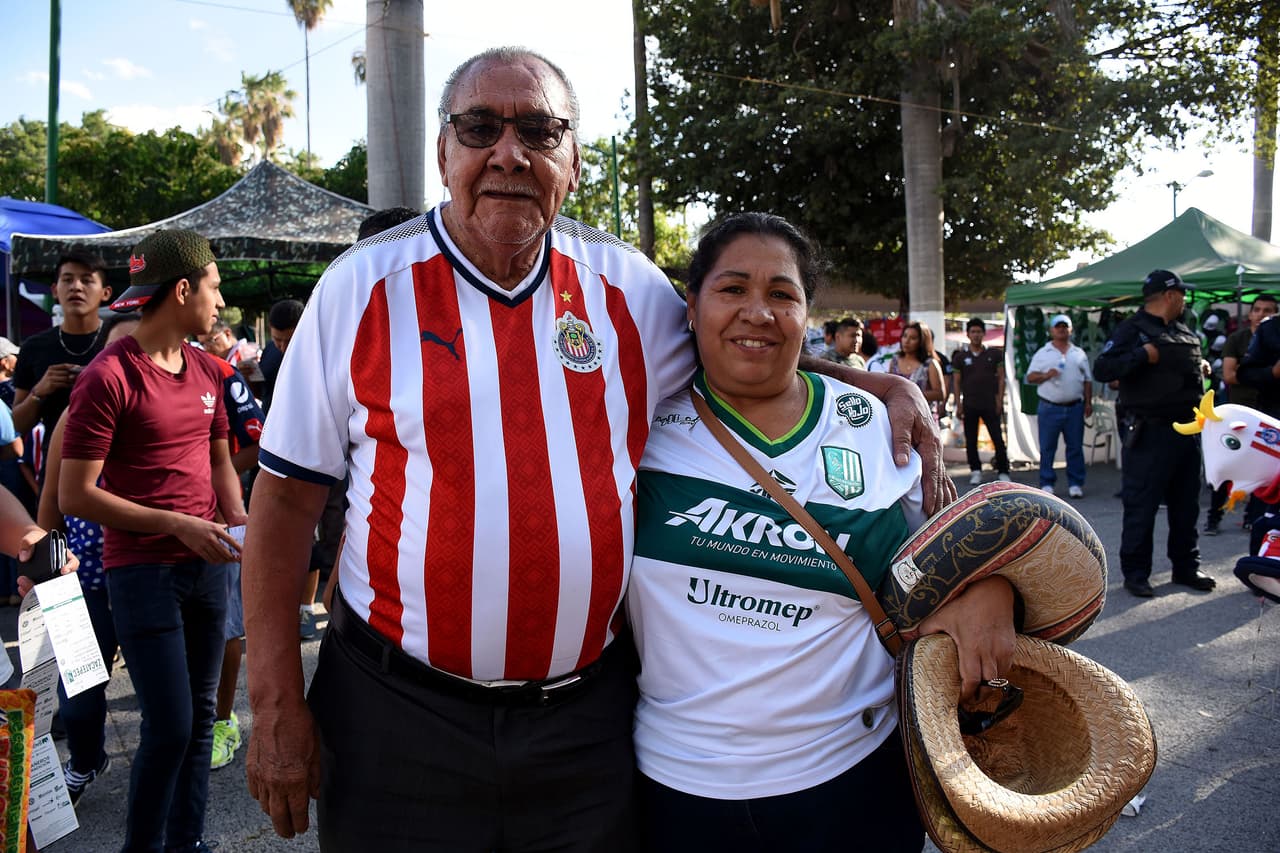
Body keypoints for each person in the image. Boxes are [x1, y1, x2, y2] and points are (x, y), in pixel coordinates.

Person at [242, 46, 952, 850]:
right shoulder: (360, 288)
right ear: (444, 153)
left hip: (582, 724)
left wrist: (877, 384)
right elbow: (284, 504)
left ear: (572, 162)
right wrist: (274, 705)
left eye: (540, 131)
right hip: (396, 714)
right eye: (480, 127)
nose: (509, 152)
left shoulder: (629, 289)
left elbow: (736, 340)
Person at [628, 213, 1015, 853]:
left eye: (782, 294)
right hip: (677, 787)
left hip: (855, 779)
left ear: (806, 315)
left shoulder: (874, 425)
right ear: (690, 308)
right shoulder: (637, 425)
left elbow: (948, 556)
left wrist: (989, 589)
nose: (758, 312)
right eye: (732, 290)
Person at [59, 228, 247, 852]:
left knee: (197, 726)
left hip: (207, 569)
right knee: (168, 726)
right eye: (215, 288)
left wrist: (239, 527)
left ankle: (186, 842)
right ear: (185, 289)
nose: (220, 302)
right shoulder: (107, 376)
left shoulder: (208, 371)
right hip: (142, 572)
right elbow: (75, 496)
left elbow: (220, 462)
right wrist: (175, 523)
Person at [36, 311, 140, 805]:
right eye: (114, 352)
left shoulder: (168, 418)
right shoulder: (75, 413)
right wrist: (44, 567)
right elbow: (50, 506)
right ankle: (84, 759)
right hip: (85, 581)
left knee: (166, 702)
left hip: (152, 579)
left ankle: (166, 786)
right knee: (77, 700)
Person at [1094, 269, 1214, 597]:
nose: (1185, 300)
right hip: (1149, 433)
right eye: (1182, 295)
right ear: (1170, 296)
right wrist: (1141, 356)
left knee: (1186, 505)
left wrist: (1199, 367)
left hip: (1187, 431)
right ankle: (1135, 573)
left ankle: (1186, 568)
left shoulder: (1182, 329)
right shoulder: (1131, 330)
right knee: (1142, 507)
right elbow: (1103, 369)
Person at [11, 250, 113, 477]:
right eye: (67, 280)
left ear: (106, 293)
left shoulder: (117, 341)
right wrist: (40, 391)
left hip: (113, 468)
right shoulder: (34, 347)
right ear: (55, 290)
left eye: (87, 280)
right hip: (57, 469)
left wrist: (98, 379)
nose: (76, 287)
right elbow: (15, 428)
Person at [1210, 294, 1278, 532]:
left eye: (1268, 310)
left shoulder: (1271, 333)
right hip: (1240, 417)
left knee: (1263, 476)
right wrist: (1271, 373)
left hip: (1265, 415)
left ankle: (1253, 518)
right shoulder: (1239, 339)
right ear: (1250, 314)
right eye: (1257, 310)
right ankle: (1214, 517)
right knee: (1229, 467)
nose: (1262, 315)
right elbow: (1231, 376)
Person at [1025, 314, 1092, 498]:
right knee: (1047, 447)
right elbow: (1030, 377)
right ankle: (1047, 482)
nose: (1062, 329)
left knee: (1075, 447)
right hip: (1049, 407)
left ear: (1071, 330)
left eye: (1065, 326)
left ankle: (1075, 483)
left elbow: (1087, 380)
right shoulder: (1042, 353)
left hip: (1074, 407)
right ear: (1051, 330)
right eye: (1058, 327)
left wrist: (1088, 402)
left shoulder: (1078, 353)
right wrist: (1047, 375)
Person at [952, 317, 1010, 485]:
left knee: (997, 438)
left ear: (984, 333)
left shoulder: (994, 354)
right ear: (968, 334)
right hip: (970, 404)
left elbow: (1001, 378)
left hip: (990, 403)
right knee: (971, 439)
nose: (976, 335)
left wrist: (1000, 399)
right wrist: (958, 403)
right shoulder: (961, 357)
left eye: (979, 332)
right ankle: (975, 470)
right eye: (973, 332)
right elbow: (956, 382)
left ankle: (1003, 470)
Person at [887, 321, 945, 416]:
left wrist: (912, 394)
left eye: (913, 338)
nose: (907, 341)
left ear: (922, 341)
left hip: (923, 416)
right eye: (905, 336)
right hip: (898, 415)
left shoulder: (930, 364)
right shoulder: (894, 361)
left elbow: (940, 394)